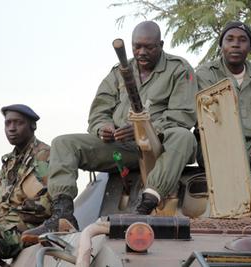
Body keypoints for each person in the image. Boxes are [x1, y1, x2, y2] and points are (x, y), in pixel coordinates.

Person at [23, 21, 197, 238]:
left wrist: (143, 131)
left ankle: (146, 204)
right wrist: (102, 128)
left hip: (161, 148)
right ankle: (63, 214)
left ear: (161, 44)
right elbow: (99, 111)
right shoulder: (119, 72)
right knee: (63, 142)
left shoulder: (179, 69)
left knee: (184, 137)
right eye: (137, 47)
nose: (141, 52)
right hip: (123, 147)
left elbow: (182, 117)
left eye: (149, 47)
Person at [196, 21, 251, 174]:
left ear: (250, 47)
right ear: (221, 45)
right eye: (229, 39)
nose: (236, 45)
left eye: (242, 40)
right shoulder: (207, 74)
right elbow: (208, 119)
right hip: (215, 147)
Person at [0, 104, 51, 267]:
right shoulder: (10, 162)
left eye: (18, 123)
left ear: (32, 125)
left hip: (32, 228)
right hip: (5, 226)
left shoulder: (46, 156)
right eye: (8, 124)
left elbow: (47, 204)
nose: (12, 128)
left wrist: (5, 217)